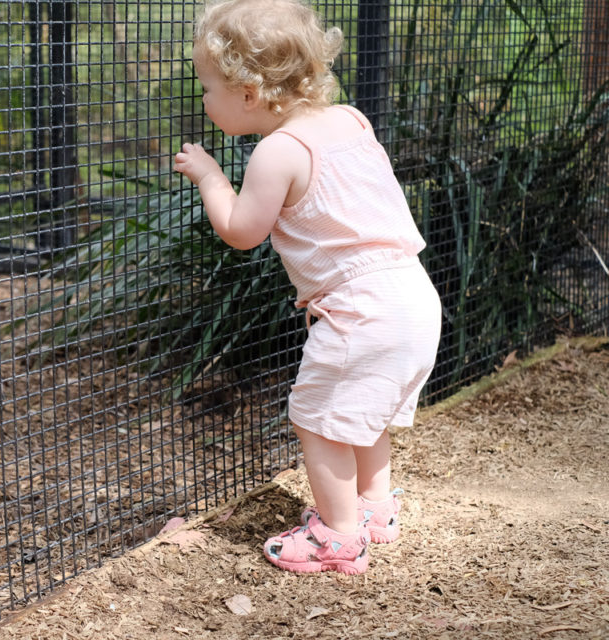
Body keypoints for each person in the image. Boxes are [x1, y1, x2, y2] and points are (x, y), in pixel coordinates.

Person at [173, 0, 441, 575]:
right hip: (413, 294)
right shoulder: (351, 119)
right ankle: (374, 510)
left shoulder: (278, 151)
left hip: (361, 308)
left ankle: (339, 539)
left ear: (249, 92)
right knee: (361, 415)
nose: (203, 98)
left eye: (208, 86)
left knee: (316, 417)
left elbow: (242, 231)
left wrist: (212, 177)